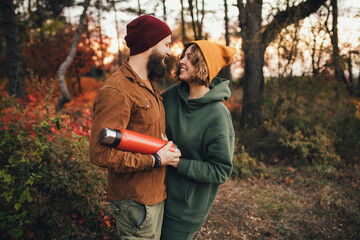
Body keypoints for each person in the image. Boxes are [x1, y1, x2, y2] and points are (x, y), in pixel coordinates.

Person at [89, 15, 181, 240]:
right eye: (166, 45)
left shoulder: (149, 84)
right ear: (150, 45)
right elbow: (99, 154)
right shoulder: (117, 90)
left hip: (155, 195)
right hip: (135, 202)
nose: (169, 52)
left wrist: (165, 148)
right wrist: (156, 160)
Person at [160, 40, 237, 239]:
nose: (181, 61)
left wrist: (180, 163)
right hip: (156, 195)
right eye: (183, 56)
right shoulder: (171, 95)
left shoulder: (218, 115)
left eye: (190, 58)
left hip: (185, 210)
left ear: (205, 66)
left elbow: (221, 171)